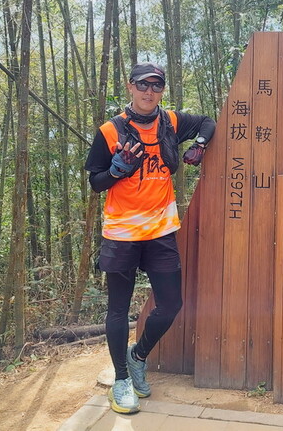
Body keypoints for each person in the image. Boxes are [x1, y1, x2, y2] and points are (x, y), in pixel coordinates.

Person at [84, 63, 215, 414]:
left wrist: (200, 146)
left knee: (171, 305)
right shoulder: (110, 131)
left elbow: (207, 122)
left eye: (156, 86)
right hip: (122, 232)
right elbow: (95, 182)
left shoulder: (170, 122)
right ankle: (122, 379)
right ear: (130, 87)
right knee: (118, 310)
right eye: (143, 85)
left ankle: (138, 356)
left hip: (160, 230)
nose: (149, 92)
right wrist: (115, 171)